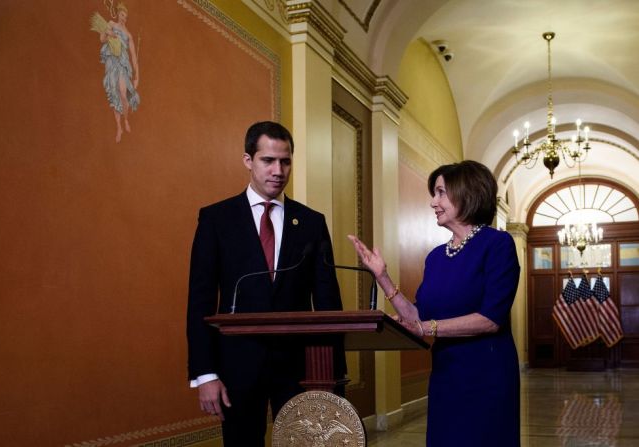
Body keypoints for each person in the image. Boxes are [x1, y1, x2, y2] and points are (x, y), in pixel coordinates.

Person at [187, 121, 344, 446]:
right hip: (236, 367)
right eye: (268, 160)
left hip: (301, 367)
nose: (278, 170)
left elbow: (328, 302)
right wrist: (205, 374)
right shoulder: (216, 219)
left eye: (285, 161)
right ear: (248, 160)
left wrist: (334, 375)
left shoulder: (312, 223)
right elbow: (200, 299)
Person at [348, 160, 520, 446]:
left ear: (466, 192)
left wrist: (424, 328)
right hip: (446, 376)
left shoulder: (497, 244)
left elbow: (491, 319)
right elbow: (418, 315)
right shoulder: (436, 256)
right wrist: (382, 277)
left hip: (487, 376)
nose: (433, 202)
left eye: (440, 193)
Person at [93, 2, 140, 143]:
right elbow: (102, 39)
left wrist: (137, 75)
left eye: (126, 16)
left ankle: (125, 119)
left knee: (123, 93)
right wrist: (109, 35)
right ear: (118, 14)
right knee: (114, 94)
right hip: (111, 60)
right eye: (122, 14)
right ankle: (119, 126)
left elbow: (133, 56)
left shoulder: (128, 35)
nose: (123, 18)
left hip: (122, 63)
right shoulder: (111, 24)